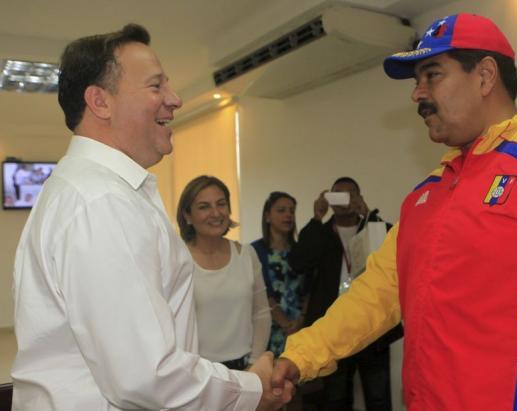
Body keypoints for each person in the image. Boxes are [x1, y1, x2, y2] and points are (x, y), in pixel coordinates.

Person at [272, 13, 517, 410]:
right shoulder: (429, 191)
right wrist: (298, 358)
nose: (417, 94)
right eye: (416, 80)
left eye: (432, 75)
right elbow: (377, 293)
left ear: (485, 76)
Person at [11, 24, 292, 410]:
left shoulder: (100, 191)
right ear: (100, 102)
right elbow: (146, 378)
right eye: (156, 86)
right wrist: (252, 389)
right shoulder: (102, 203)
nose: (175, 99)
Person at [289, 177, 402, 411]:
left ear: (359, 198)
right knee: (335, 398)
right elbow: (298, 261)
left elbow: (394, 251)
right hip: (334, 323)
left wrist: (369, 215)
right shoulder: (322, 232)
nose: (344, 200)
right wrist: (316, 218)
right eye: (337, 194)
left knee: (378, 395)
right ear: (329, 199)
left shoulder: (372, 225)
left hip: (372, 324)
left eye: (350, 194)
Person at [176, 175, 271, 370]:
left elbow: (261, 312)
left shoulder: (246, 254)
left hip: (244, 368)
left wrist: (254, 364)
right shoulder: (177, 259)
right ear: (187, 216)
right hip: (197, 372)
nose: (216, 213)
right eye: (204, 207)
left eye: (221, 204)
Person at [250, 191, 307, 358]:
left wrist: (300, 321)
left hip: (299, 328)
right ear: (267, 216)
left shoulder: (302, 250)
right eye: (281, 210)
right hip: (268, 329)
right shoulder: (254, 251)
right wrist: (285, 324)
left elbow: (310, 287)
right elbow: (261, 292)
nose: (288, 215)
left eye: (291, 211)